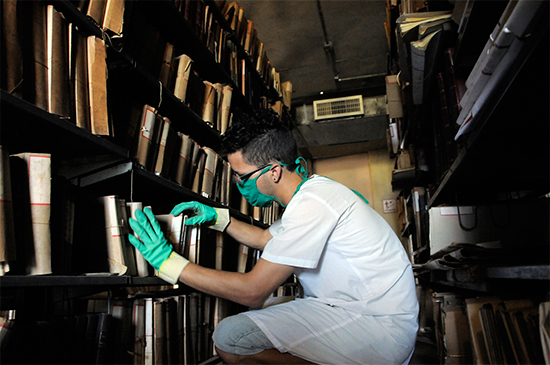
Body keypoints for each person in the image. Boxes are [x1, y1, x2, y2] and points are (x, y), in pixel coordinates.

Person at [128, 109, 419, 364]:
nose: (239, 185)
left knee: (230, 339)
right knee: (269, 313)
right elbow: (267, 238)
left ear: (275, 172)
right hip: (358, 310)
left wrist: (168, 263)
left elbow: (253, 291)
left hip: (377, 328)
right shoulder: (310, 195)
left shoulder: (312, 204)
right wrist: (219, 218)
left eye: (242, 177)